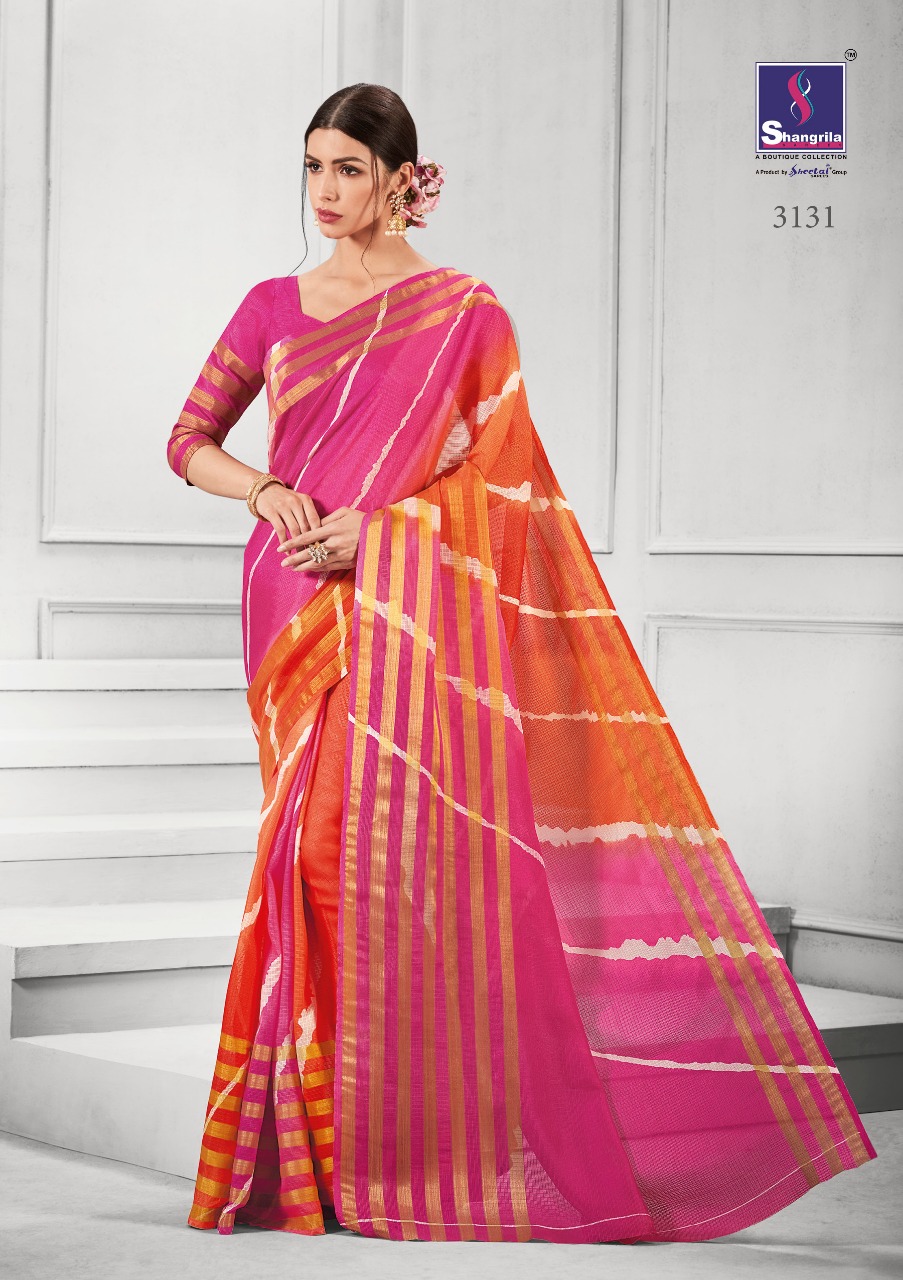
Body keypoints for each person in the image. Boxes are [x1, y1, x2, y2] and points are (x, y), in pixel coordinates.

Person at [166, 82, 876, 1244]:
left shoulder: (466, 312)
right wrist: (271, 490)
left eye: (349, 168)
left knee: (366, 862)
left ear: (404, 178)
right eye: (313, 167)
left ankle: (379, 1146)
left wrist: (382, 534)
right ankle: (305, 1151)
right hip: (291, 601)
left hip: (400, 604)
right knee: (301, 859)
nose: (325, 191)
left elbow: (504, 485)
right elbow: (188, 440)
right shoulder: (271, 306)